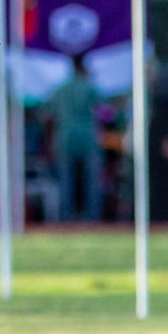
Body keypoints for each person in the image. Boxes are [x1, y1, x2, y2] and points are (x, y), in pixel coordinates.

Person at [44, 55, 106, 222]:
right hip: (88, 139)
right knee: (91, 183)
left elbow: (49, 114)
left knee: (66, 183)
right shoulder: (89, 87)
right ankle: (93, 217)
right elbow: (105, 112)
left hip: (65, 138)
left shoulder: (60, 89)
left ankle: (66, 218)